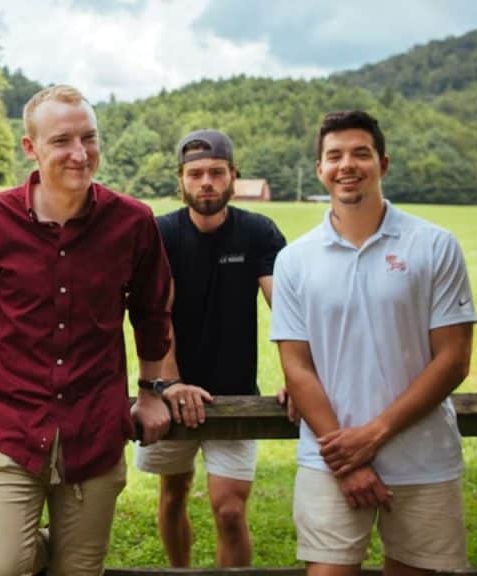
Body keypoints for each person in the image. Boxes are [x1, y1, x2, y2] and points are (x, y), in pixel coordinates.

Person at [0, 84, 174, 576]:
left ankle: (42, 547)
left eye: (89, 137)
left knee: (79, 571)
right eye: (63, 140)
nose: (80, 153)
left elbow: (152, 315)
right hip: (10, 429)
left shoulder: (132, 222)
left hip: (95, 432)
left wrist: (151, 392)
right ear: (31, 147)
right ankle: (24, 546)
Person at [270, 110, 477, 575]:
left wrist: (375, 433)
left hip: (423, 458)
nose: (347, 165)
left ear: (383, 163)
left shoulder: (434, 245)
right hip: (330, 461)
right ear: (320, 168)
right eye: (334, 155)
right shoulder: (294, 260)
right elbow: (297, 368)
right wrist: (347, 459)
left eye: (360, 153)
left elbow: (454, 358)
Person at [136, 129, 287, 567]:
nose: (206, 182)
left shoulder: (259, 232)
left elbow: (287, 307)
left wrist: (301, 375)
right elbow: (154, 316)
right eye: (196, 173)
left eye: (216, 173)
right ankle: (180, 570)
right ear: (180, 180)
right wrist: (172, 382)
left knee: (230, 510)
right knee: (173, 494)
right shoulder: (159, 233)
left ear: (233, 177)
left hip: (235, 394)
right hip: (169, 392)